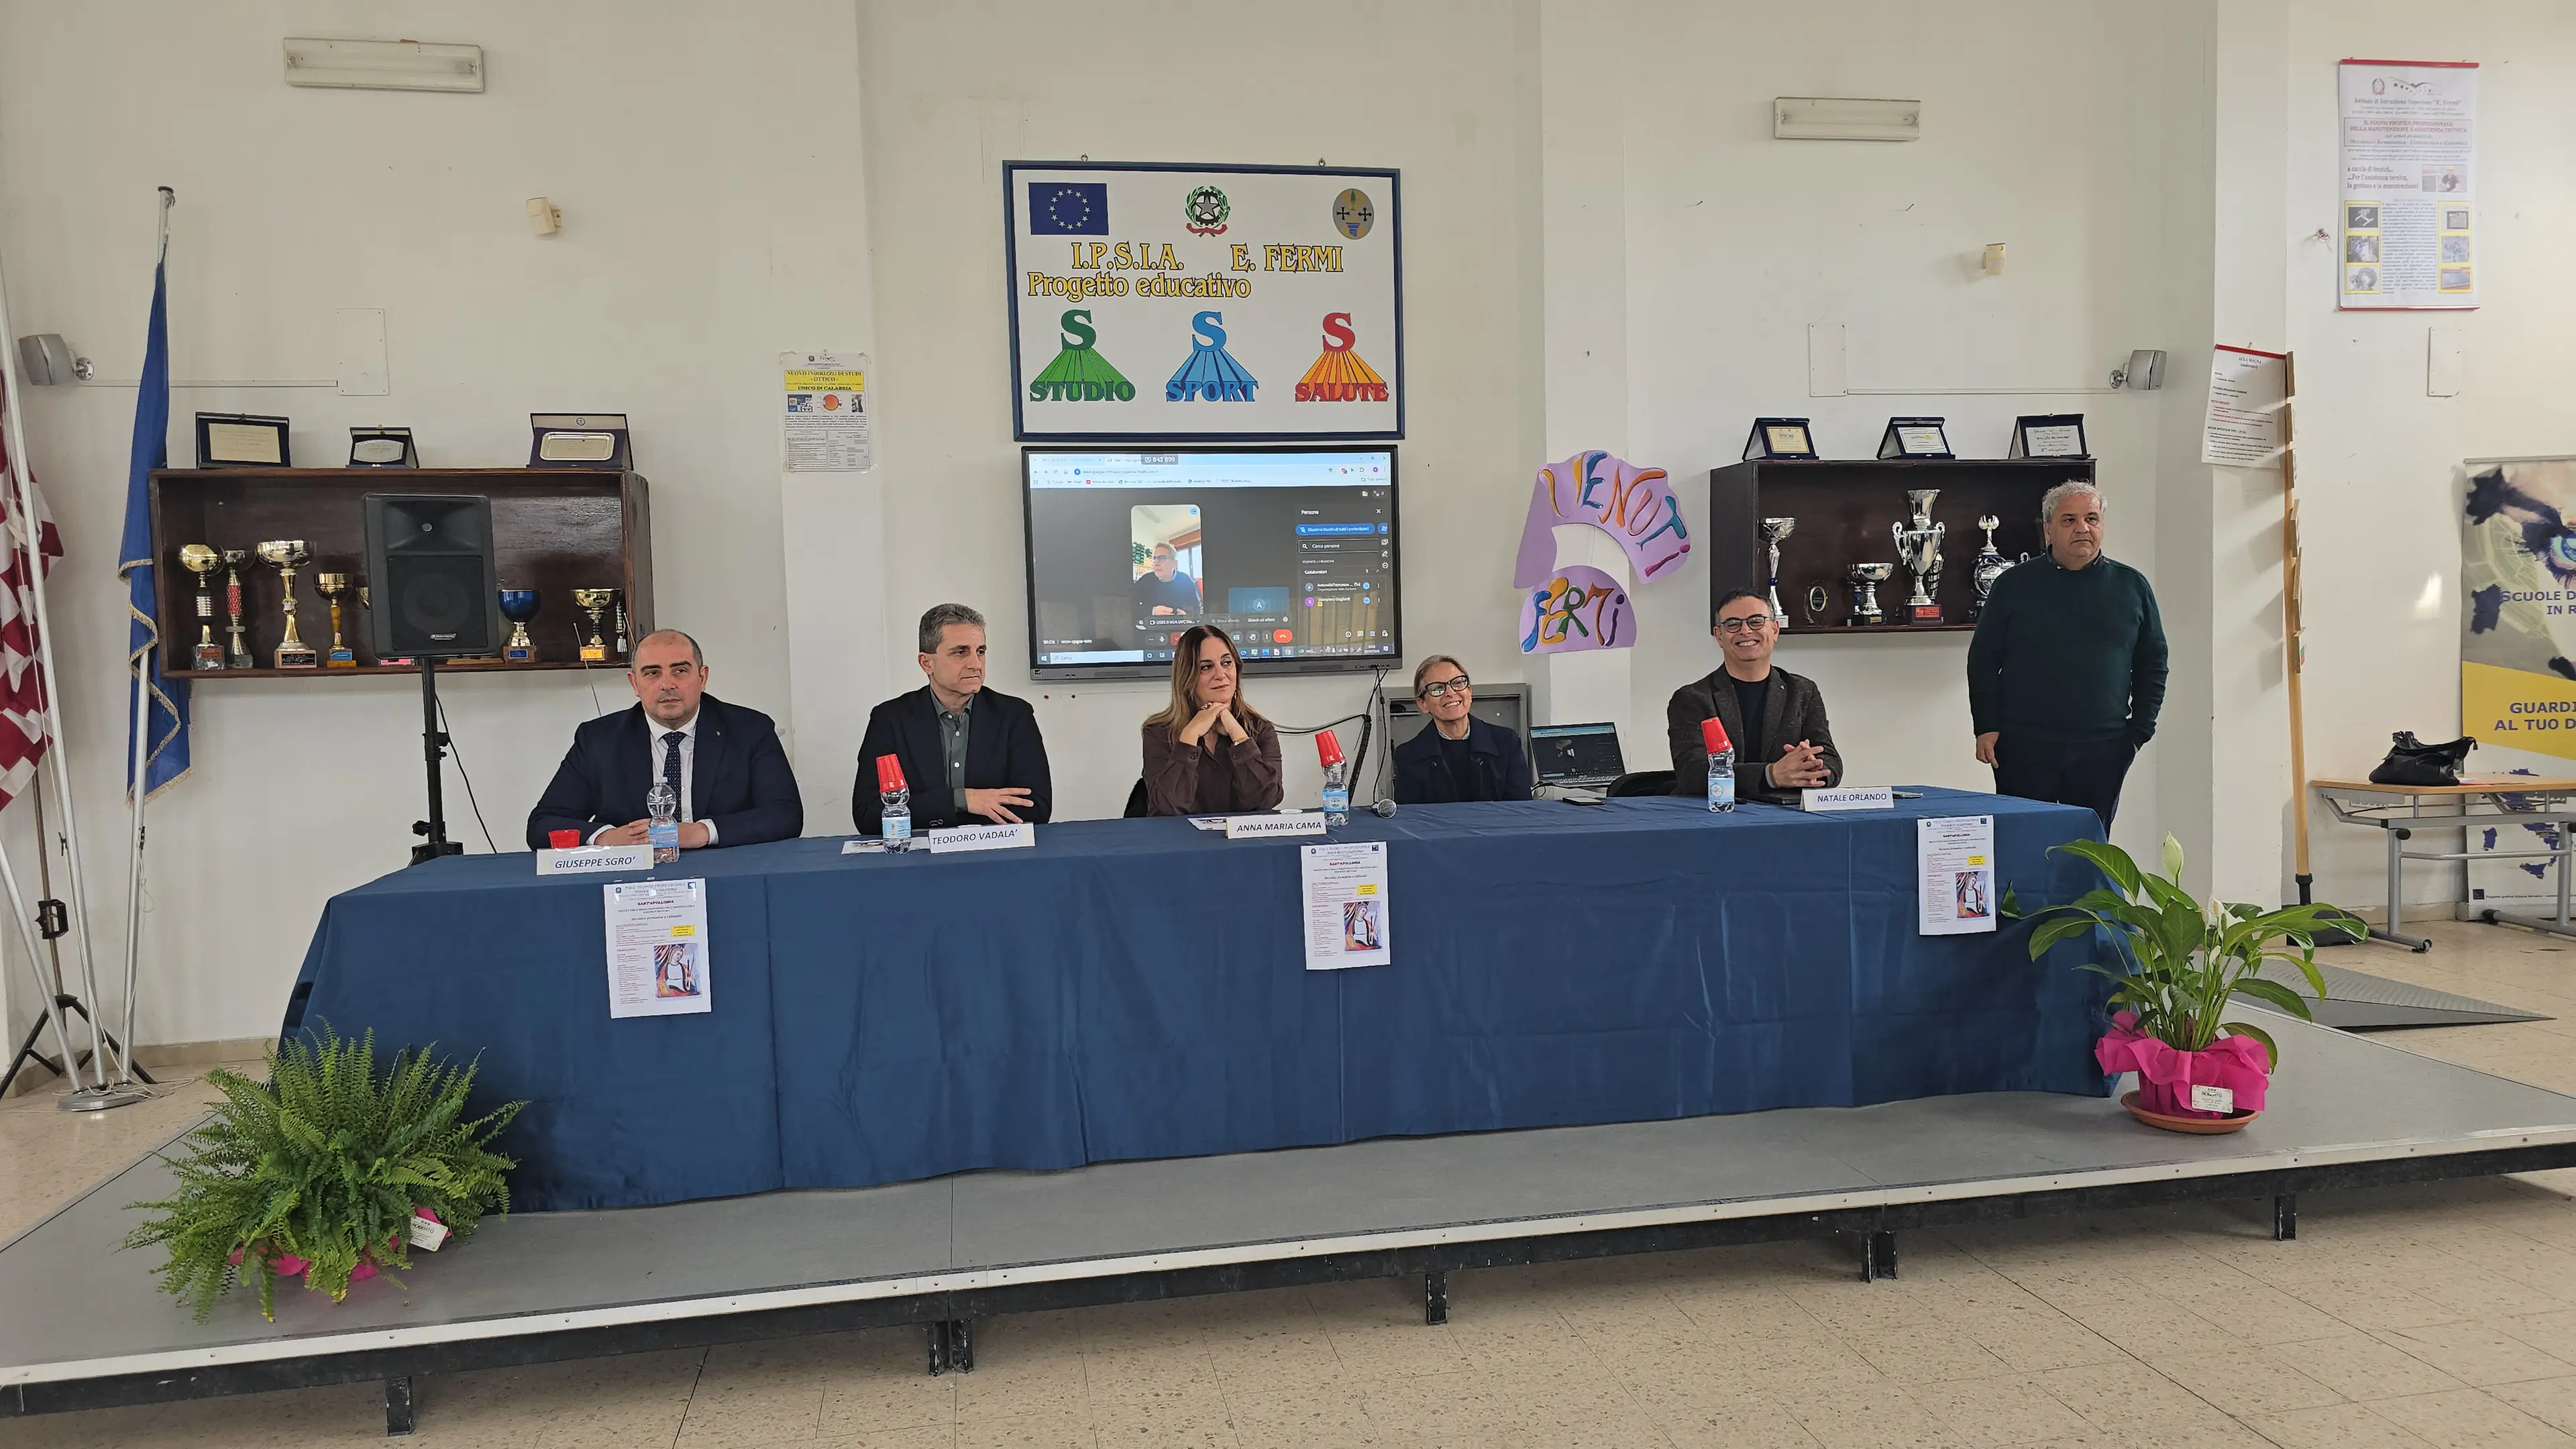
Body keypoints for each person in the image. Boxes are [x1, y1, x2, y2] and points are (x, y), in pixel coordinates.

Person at [1968, 481, 2167, 828]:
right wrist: (1986, 726)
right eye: (2069, 520)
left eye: (2091, 518)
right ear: (2048, 529)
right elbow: (1983, 660)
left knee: (2089, 849)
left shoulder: (2131, 586)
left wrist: (2139, 732)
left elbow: (2153, 663)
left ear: (2102, 525)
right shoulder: (2013, 585)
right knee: (2025, 843)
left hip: (2104, 746)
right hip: (2023, 745)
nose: (2082, 528)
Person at [527, 629, 803, 849]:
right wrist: (606, 837)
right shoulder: (599, 739)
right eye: (652, 673)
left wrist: (702, 832)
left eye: (680, 671)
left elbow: (786, 815)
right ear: (634, 683)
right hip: (630, 882)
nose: (667, 684)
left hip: (725, 872)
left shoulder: (750, 730)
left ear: (702, 678)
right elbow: (542, 824)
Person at [853, 603, 1054, 835]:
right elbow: (868, 814)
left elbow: (1036, 808)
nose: (976, 664)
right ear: (927, 663)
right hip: (921, 854)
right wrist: (963, 800)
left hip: (993, 851)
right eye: (961, 652)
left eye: (980, 652)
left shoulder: (1014, 715)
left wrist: (927, 808)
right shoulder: (890, 719)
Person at [1666, 589, 1841, 803]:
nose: (1746, 631)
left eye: (1756, 621)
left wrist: (1812, 768)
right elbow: (1692, 773)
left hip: (1787, 814)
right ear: (1719, 636)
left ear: (1775, 629)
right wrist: (1771, 775)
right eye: (1733, 624)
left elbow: (1830, 759)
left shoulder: (1803, 691)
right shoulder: (1692, 698)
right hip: (1715, 813)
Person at [1140, 623, 1282, 816]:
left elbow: (1267, 800)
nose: (1221, 675)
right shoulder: (1158, 732)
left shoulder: (1261, 730)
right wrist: (1190, 736)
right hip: (1180, 835)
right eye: (1206, 667)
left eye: (1227, 663)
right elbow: (1168, 807)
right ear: (1187, 677)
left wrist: (1237, 734)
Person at [1390, 655, 1532, 804]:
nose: (1450, 693)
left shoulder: (1506, 743)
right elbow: (1411, 816)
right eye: (1438, 689)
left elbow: (1521, 810)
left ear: (1469, 692)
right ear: (1423, 704)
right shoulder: (1408, 756)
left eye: (1457, 683)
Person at [1133, 542, 1200, 619]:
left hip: (1179, 625)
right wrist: (1152, 611)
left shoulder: (1186, 581)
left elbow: (1196, 609)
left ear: (1174, 564)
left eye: (1161, 558)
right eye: (1155, 558)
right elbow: (1128, 606)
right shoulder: (1146, 580)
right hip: (1151, 625)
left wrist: (1186, 616)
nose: (1156, 563)